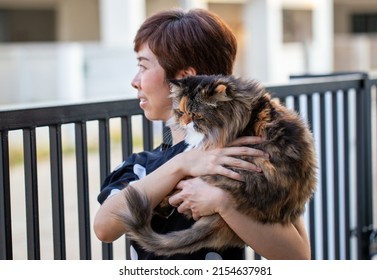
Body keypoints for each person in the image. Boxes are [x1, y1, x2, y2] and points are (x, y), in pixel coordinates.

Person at [93, 8, 311, 260]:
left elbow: (298, 257)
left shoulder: (239, 156)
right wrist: (183, 164)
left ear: (187, 79)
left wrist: (223, 202)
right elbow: (104, 227)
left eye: (143, 67)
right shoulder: (142, 167)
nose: (135, 80)